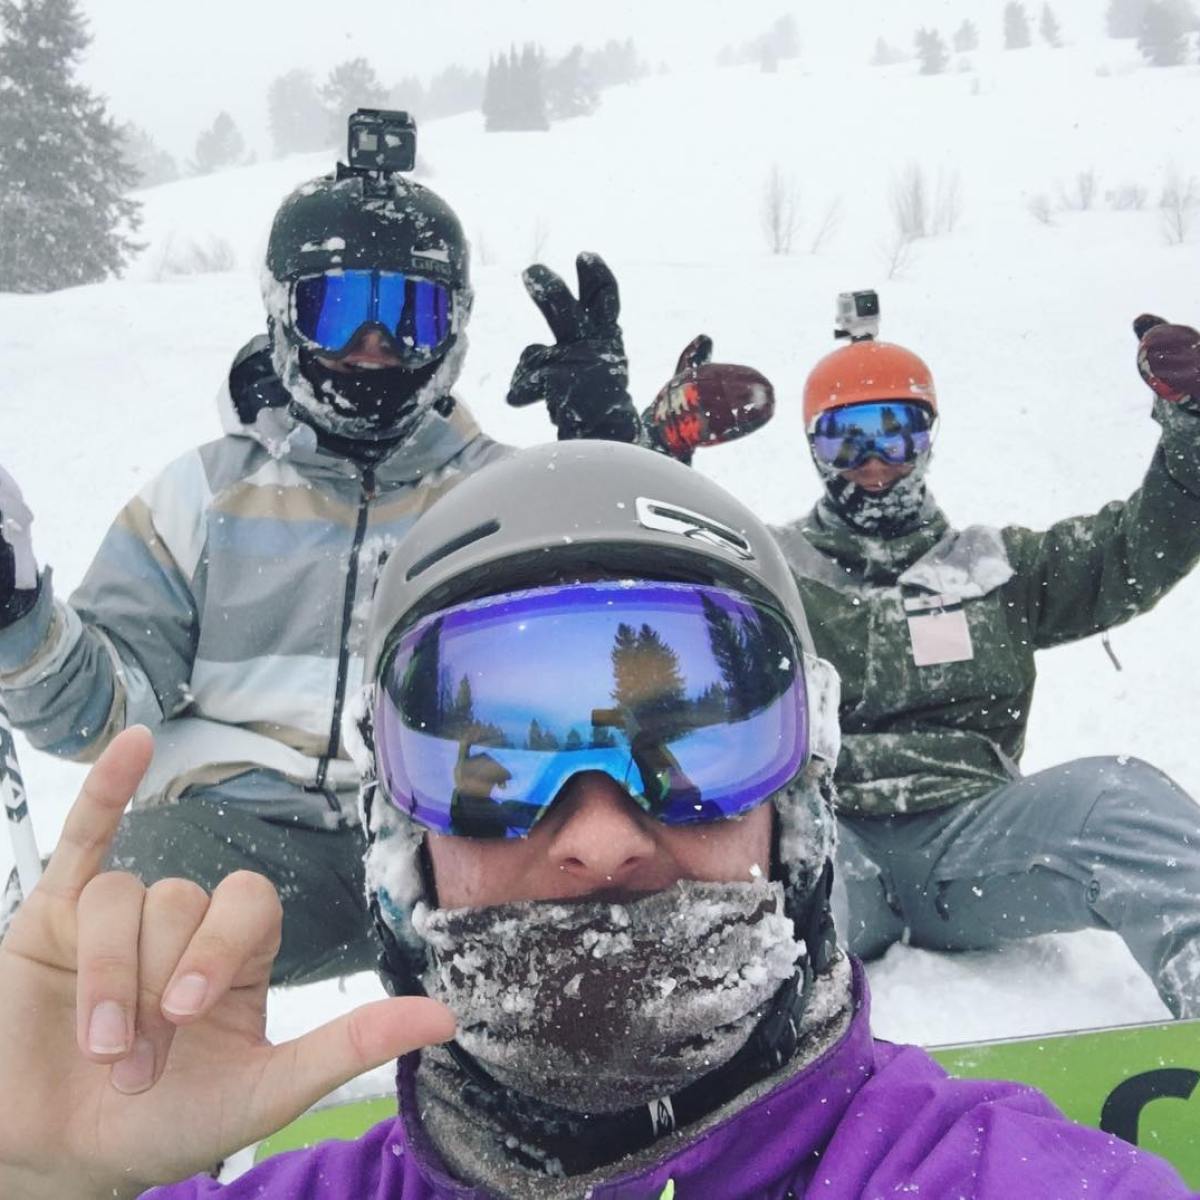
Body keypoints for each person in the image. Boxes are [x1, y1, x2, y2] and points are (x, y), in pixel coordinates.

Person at [2, 441, 1197, 1200]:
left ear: (799, 809)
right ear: (395, 833)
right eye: (490, 759)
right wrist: (44, 1182)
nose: (602, 836)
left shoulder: (999, 1182)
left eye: (695, 742)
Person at [0, 136, 642, 984]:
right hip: (237, 839)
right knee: (106, 938)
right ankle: (146, 1099)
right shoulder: (203, 498)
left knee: (599, 921)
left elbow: (623, 657)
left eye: (409, 316)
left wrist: (611, 464)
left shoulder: (502, 498)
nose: (374, 346)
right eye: (339, 312)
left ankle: (531, 1091)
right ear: (282, 317)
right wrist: (20, 623)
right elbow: (101, 717)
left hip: (455, 831)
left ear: (452, 331)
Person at [769, 315, 1200, 1017]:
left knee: (1121, 797)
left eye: (895, 432)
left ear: (926, 440)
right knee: (752, 882)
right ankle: (757, 1088)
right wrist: (634, 444)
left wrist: (1194, 435)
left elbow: (1131, 554)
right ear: (816, 449)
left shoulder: (994, 568)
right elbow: (663, 588)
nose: (874, 462)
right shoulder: (774, 568)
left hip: (973, 845)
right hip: (829, 843)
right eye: (846, 437)